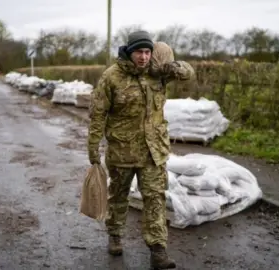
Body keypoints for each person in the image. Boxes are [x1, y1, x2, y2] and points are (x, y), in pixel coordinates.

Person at [87, 30, 194, 269]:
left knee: (155, 199)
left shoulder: (158, 74)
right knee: (118, 197)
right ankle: (115, 235)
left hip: (153, 153)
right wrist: (93, 147)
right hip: (121, 152)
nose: (144, 57)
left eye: (147, 52)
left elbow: (188, 73)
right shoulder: (111, 77)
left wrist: (170, 67)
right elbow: (98, 115)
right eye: (139, 52)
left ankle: (158, 251)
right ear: (129, 51)